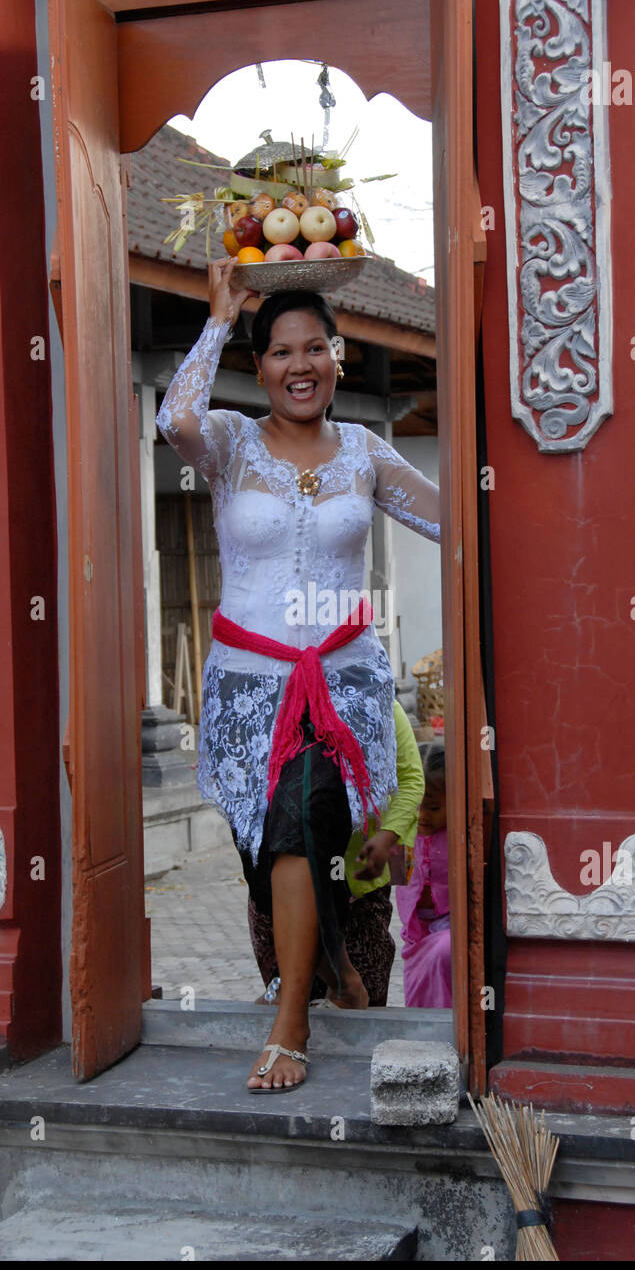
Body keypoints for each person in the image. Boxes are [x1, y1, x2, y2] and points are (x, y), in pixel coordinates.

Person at [155, 258, 440, 1091]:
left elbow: (452, 520)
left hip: (343, 681)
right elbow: (176, 419)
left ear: (339, 356)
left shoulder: (365, 450)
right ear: (260, 366)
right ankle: (338, 974)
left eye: (316, 346)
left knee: (302, 811)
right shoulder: (233, 444)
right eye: (280, 351)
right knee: (268, 848)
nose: (300, 364)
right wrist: (217, 317)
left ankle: (291, 1020)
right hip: (249, 685)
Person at [249, 698, 425, 1007]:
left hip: (359, 890)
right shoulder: (273, 700)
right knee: (293, 1000)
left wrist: (386, 838)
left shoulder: (381, 706)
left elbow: (410, 779)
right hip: (283, 889)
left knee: (362, 1012)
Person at [396, 743, 451, 1008]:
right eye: (417, 806)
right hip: (416, 933)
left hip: (451, 926)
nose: (423, 816)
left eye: (433, 807)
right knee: (419, 994)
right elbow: (397, 882)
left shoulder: (460, 836)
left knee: (444, 952)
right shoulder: (401, 835)